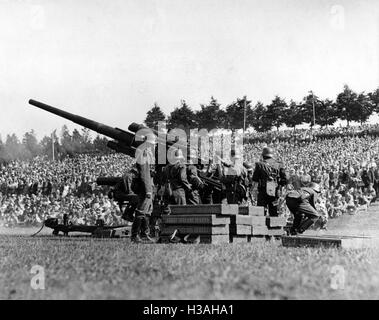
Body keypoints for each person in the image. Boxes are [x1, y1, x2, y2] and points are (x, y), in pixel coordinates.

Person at [130, 135, 156, 244]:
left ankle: (144, 234)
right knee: (141, 211)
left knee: (146, 212)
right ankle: (135, 235)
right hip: (146, 188)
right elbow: (144, 174)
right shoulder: (144, 154)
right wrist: (148, 190)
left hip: (148, 186)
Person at [251, 146, 287, 216]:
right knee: (274, 210)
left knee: (261, 211)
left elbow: (255, 179)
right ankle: (274, 226)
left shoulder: (259, 164)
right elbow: (284, 180)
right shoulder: (279, 164)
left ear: (263, 155)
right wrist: (278, 187)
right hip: (274, 191)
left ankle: (260, 226)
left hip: (263, 192)